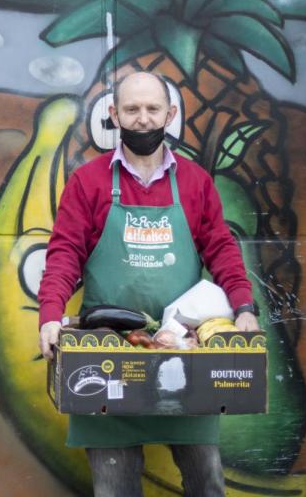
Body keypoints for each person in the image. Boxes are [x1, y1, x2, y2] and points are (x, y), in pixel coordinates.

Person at [36, 72, 261, 496]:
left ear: (170, 114)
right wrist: (50, 315)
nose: (142, 119)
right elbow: (64, 253)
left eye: (152, 109)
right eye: (132, 109)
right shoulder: (88, 182)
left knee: (206, 482)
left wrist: (244, 307)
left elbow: (222, 250)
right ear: (114, 115)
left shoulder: (195, 182)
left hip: (185, 357)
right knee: (114, 486)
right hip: (108, 360)